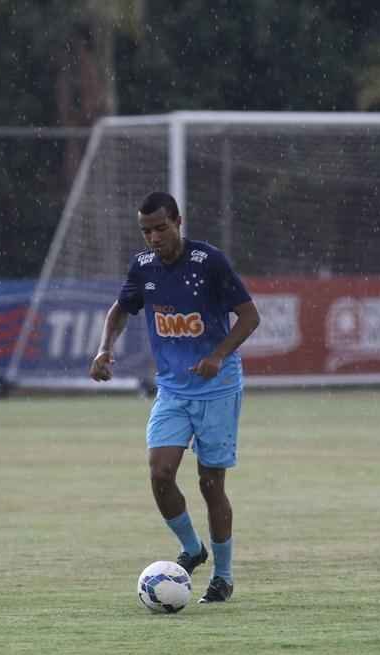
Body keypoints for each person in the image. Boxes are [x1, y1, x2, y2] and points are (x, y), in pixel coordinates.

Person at [90, 192, 260, 603]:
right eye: (146, 231)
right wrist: (104, 348)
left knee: (210, 483)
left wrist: (218, 355)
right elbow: (119, 310)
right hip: (172, 389)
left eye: (160, 228)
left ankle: (223, 576)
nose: (153, 238)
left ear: (178, 222)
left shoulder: (209, 262)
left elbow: (250, 316)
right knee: (160, 473)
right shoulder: (143, 267)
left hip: (218, 388)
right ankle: (192, 548)